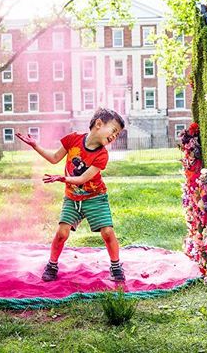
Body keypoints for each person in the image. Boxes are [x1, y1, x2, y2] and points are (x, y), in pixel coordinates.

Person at [15, 108, 126, 282]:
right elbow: (54, 158)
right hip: (72, 199)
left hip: (95, 198)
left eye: (117, 134)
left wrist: (62, 178)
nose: (114, 136)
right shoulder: (72, 140)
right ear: (98, 124)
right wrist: (35, 145)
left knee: (107, 232)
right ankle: (52, 264)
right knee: (61, 233)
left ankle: (115, 265)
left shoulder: (102, 155)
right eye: (113, 131)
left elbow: (82, 177)